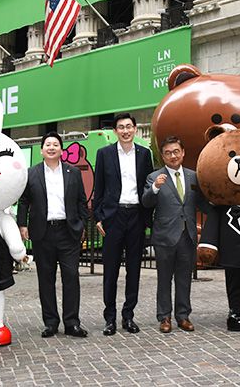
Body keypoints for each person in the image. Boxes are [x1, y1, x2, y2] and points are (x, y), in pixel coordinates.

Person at [18, 132, 89, 338]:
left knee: (71, 277)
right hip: (43, 233)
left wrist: (81, 224)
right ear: (42, 150)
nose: (51, 147)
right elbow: (23, 201)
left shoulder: (73, 172)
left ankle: (72, 323)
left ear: (61, 150)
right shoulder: (31, 173)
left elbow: (81, 200)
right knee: (46, 279)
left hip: (68, 232)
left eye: (55, 144)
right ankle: (50, 323)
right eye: (47, 144)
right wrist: (22, 224)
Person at [93, 113, 153, 335]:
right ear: (115, 131)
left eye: (129, 126)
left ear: (135, 129)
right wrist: (98, 217)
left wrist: (147, 217)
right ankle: (110, 318)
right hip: (113, 217)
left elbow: (148, 187)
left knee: (134, 269)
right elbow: (98, 188)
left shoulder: (144, 154)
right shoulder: (104, 154)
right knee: (110, 270)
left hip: (136, 215)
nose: (125, 131)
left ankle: (129, 316)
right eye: (121, 127)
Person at [141, 136, 207, 333]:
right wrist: (155, 188)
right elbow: (146, 202)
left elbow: (202, 203)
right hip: (165, 236)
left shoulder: (193, 176)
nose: (173, 156)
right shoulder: (154, 177)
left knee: (184, 278)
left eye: (176, 151)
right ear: (163, 156)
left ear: (183, 152)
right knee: (164, 279)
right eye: (168, 153)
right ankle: (164, 317)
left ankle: (183, 316)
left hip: (187, 235)